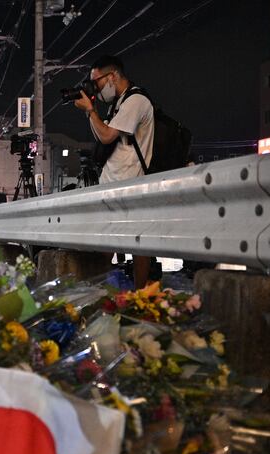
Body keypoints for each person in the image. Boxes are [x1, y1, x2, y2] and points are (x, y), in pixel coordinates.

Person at [74, 55, 154, 288]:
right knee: (105, 241)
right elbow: (103, 135)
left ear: (113, 76)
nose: (96, 88)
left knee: (138, 243)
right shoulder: (117, 104)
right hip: (113, 181)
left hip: (131, 182)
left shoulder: (136, 100)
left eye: (97, 82)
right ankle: (99, 290)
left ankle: (140, 295)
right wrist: (92, 111)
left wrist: (91, 111)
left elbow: (107, 135)